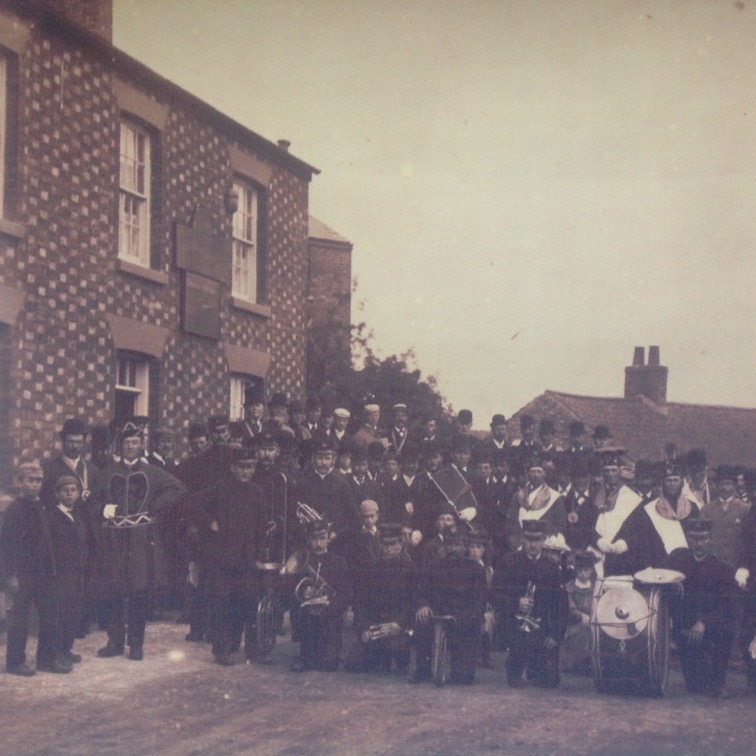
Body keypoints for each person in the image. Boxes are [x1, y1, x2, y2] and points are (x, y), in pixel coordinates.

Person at [93, 422, 185, 661]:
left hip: (140, 541)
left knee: (138, 592)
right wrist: (103, 510)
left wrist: (155, 508)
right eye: (126, 443)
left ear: (142, 445)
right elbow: (93, 498)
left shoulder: (152, 472)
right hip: (113, 540)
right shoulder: (108, 472)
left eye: (135, 443)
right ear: (120, 446)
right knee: (114, 591)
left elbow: (177, 489)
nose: (130, 447)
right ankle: (114, 641)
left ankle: (136, 645)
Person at [191, 442, 266, 665]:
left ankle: (251, 648)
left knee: (248, 602)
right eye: (241, 466)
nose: (246, 471)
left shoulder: (257, 492)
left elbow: (262, 525)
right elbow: (194, 504)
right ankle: (222, 648)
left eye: (250, 467)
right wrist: (210, 523)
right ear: (233, 467)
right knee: (222, 603)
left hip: (247, 557)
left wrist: (259, 552)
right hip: (223, 557)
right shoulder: (220, 488)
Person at [1, 460, 69, 675]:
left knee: (49, 614)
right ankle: (14, 662)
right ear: (19, 482)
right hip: (22, 573)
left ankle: (47, 659)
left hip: (43, 572)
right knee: (20, 618)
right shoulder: (14, 511)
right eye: (30, 480)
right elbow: (7, 546)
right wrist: (10, 576)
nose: (35, 485)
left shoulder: (41, 506)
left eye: (39, 481)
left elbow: (46, 541)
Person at [493, 520, 566, 689]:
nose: (533, 544)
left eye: (537, 539)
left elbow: (561, 605)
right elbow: (495, 595)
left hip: (542, 628)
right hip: (514, 626)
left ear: (543, 540)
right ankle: (515, 666)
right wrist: (516, 602)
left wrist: (555, 635)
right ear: (522, 539)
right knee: (516, 681)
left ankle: (536, 666)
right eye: (528, 539)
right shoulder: (508, 563)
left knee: (549, 681)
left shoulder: (552, 567)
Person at [669, 519, 737, 697]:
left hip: (712, 626)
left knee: (726, 630)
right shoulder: (677, 560)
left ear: (711, 540)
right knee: (694, 686)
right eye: (694, 538)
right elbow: (657, 575)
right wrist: (671, 581)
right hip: (685, 626)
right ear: (688, 539)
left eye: (703, 538)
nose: (698, 544)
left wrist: (704, 622)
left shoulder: (722, 568)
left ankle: (718, 681)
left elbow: (728, 605)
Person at [413, 530, 488, 685]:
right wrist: (423, 606)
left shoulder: (476, 570)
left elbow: (479, 602)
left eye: (458, 545)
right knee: (421, 620)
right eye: (450, 545)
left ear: (465, 547)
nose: (454, 549)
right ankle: (423, 669)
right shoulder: (433, 567)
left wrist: (464, 619)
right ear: (444, 546)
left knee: (463, 678)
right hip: (437, 617)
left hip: (464, 621)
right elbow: (421, 592)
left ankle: (462, 667)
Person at [346, 522, 416, 675]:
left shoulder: (411, 569)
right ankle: (379, 657)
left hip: (400, 627)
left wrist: (400, 624)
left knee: (396, 649)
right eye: (385, 545)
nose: (388, 549)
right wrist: (364, 628)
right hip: (377, 626)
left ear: (401, 544)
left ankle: (398, 658)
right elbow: (362, 603)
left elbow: (413, 602)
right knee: (353, 663)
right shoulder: (373, 569)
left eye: (393, 544)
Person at [614, 458, 699, 574]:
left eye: (676, 480)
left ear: (681, 482)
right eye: (669, 481)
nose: (672, 484)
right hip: (660, 566)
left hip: (688, 566)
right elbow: (631, 532)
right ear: (663, 482)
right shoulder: (648, 507)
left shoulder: (692, 508)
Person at [288, 519, 352, 672]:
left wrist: (327, 604)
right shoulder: (302, 561)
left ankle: (326, 652)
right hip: (308, 619)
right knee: (308, 663)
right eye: (314, 538)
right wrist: (304, 591)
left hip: (329, 618)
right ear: (309, 540)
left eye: (322, 538)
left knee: (328, 666)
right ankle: (306, 654)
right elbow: (290, 592)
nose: (318, 543)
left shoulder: (339, 563)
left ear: (329, 538)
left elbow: (346, 594)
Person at [47, 474, 96, 667]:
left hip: (78, 573)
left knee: (73, 614)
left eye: (73, 490)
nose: (69, 493)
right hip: (61, 574)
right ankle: (56, 653)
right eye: (65, 490)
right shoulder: (52, 517)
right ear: (57, 494)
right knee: (61, 614)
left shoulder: (79, 515)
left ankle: (66, 649)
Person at [590, 451, 643, 576]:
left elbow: (639, 529)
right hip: (597, 553)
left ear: (620, 471)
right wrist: (597, 540)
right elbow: (586, 525)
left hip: (622, 558)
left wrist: (626, 542)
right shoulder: (593, 496)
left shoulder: (632, 498)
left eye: (614, 470)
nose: (610, 474)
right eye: (606, 471)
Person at [505, 452, 566, 553]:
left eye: (539, 471)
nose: (536, 475)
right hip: (521, 542)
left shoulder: (555, 497)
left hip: (545, 544)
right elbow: (511, 520)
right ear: (527, 474)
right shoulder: (518, 496)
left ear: (545, 474)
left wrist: (542, 538)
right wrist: (518, 537)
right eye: (532, 471)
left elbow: (560, 524)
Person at [700, 465, 749, 567]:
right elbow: (700, 538)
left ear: (734, 486)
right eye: (721, 484)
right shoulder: (706, 509)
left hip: (736, 564)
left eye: (728, 484)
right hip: (712, 564)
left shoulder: (745, 509)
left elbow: (748, 540)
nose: (724, 487)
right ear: (716, 486)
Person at [560, 550, 598, 675]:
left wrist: (591, 617)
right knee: (576, 634)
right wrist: (580, 615)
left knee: (592, 635)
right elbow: (569, 605)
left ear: (591, 571)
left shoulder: (595, 588)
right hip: (574, 622)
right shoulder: (570, 586)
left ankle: (588, 664)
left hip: (591, 621)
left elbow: (597, 605)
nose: (583, 573)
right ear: (576, 570)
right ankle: (573, 664)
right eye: (580, 570)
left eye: (586, 570)